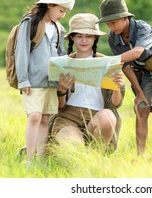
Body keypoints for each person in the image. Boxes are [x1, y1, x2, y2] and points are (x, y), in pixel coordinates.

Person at [98, 0, 152, 160]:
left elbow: (137, 52)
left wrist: (109, 61)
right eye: (107, 23)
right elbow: (126, 66)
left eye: (113, 22)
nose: (110, 26)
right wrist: (138, 92)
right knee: (141, 109)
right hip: (144, 70)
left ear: (125, 17)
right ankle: (140, 156)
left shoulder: (142, 27)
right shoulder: (113, 37)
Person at [49, 13, 125, 153]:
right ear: (72, 37)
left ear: (95, 38)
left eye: (89, 36)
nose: (84, 40)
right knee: (74, 150)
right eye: (79, 36)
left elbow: (115, 104)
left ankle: (96, 158)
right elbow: (59, 107)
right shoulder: (62, 63)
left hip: (97, 115)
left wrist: (117, 88)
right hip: (68, 117)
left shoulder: (107, 63)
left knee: (108, 116)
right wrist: (62, 90)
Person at [15, 0, 75, 164]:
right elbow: (22, 51)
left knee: (45, 119)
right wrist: (23, 79)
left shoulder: (58, 28)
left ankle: (40, 160)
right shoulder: (30, 22)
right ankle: (29, 160)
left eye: (65, 11)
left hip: (51, 82)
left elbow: (60, 54)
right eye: (61, 10)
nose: (63, 14)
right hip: (33, 81)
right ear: (50, 4)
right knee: (34, 116)